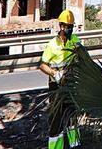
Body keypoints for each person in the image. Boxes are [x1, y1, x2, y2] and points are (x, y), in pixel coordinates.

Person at [39, 9, 82, 149]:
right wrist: (55, 74)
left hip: (70, 84)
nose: (70, 29)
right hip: (56, 87)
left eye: (71, 26)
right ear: (61, 26)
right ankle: (56, 147)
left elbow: (81, 57)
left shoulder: (74, 40)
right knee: (56, 118)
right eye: (67, 26)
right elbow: (42, 65)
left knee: (71, 115)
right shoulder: (52, 45)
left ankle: (75, 144)